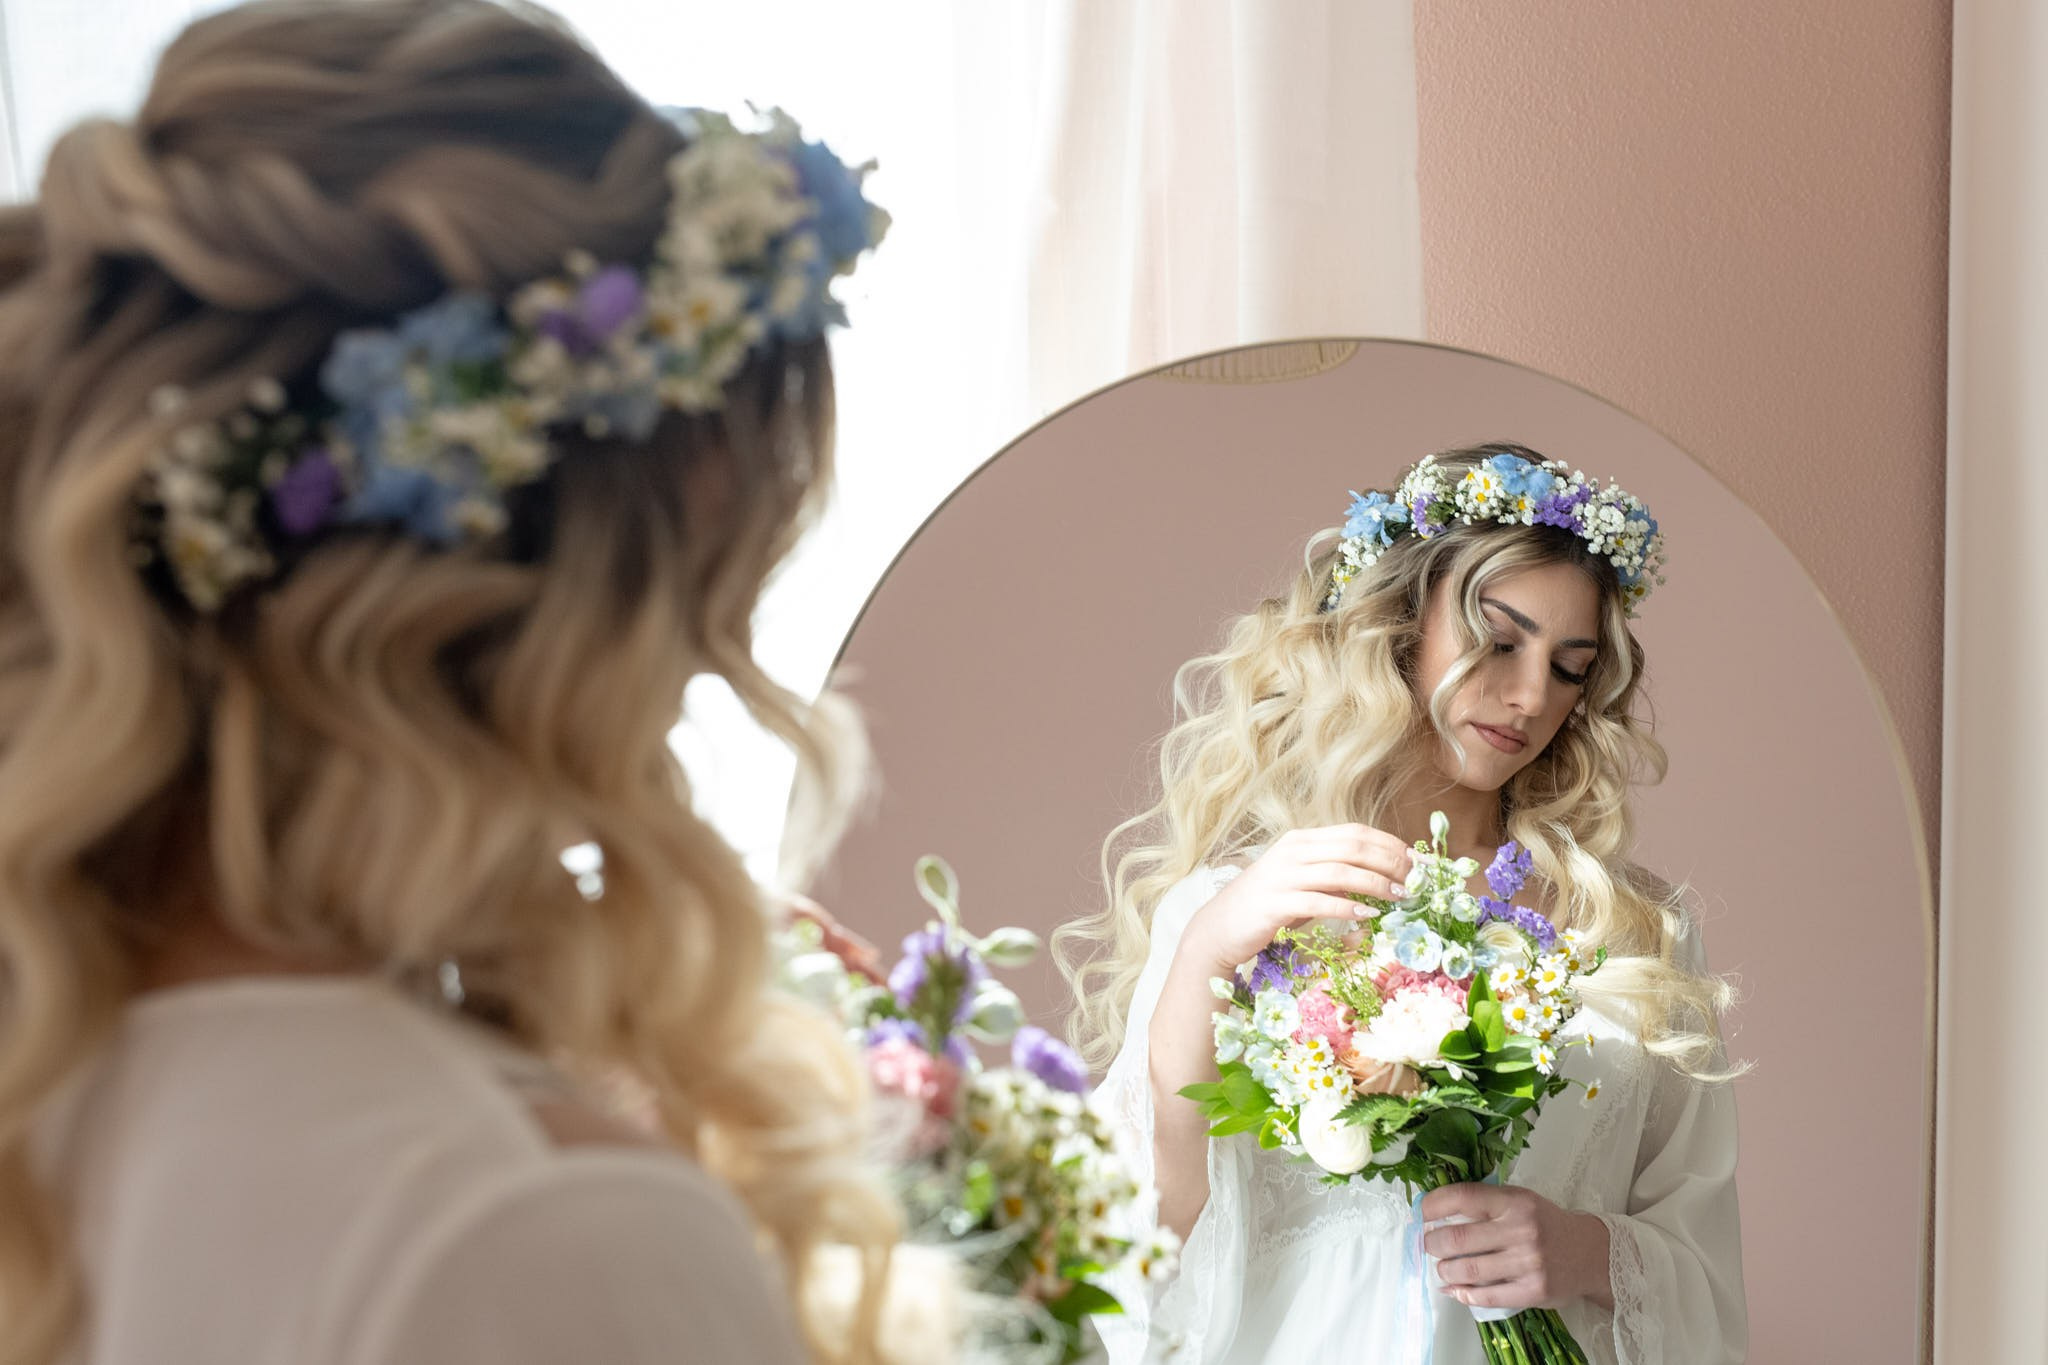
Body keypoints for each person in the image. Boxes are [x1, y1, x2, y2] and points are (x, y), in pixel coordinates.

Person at [0, 3, 921, 1363]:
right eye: (698, 603)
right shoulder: (526, 1223)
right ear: (537, 606)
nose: (685, 687)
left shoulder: (59, 1104)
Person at [1057, 444, 1746, 1364]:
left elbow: (1706, 1271)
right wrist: (1200, 961)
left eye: (1570, 665)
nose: (1532, 694)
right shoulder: (1239, 914)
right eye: (1499, 640)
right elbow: (1131, 1245)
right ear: (1402, 624)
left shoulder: (1634, 939)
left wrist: (1586, 1249)